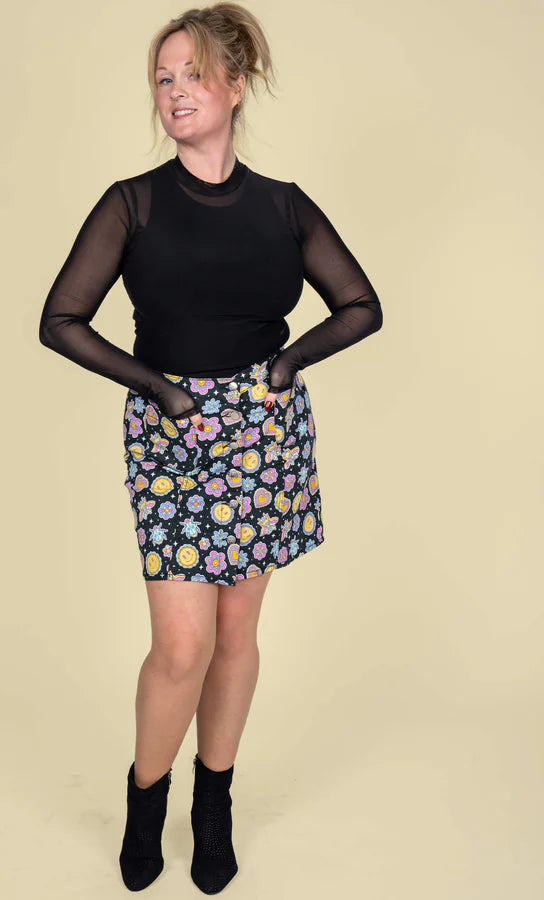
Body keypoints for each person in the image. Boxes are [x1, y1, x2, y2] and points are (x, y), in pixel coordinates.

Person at [39, 3, 382, 893]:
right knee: (181, 646)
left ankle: (214, 801)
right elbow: (61, 319)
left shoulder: (284, 206)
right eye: (164, 78)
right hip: (172, 433)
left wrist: (286, 365)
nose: (176, 91)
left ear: (236, 85)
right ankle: (145, 797)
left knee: (235, 636)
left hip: (264, 436)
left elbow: (360, 305)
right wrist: (158, 390)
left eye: (193, 74)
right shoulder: (133, 202)